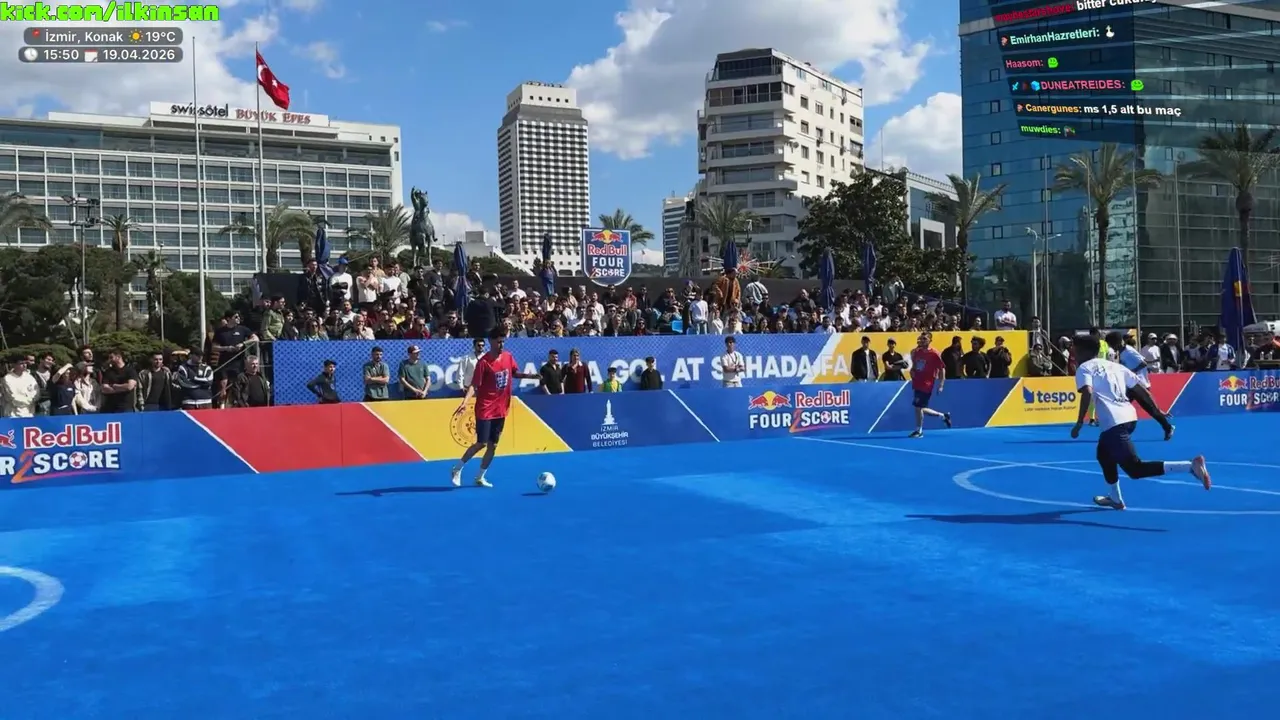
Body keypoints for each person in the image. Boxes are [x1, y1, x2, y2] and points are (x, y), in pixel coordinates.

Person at [1070, 334, 1210, 510]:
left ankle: (1189, 466)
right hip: (1128, 418)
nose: (1072, 351)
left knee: (1135, 469)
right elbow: (1140, 390)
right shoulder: (1115, 366)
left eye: (1074, 348)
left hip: (1114, 423)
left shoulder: (1084, 368)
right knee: (1104, 455)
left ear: (1083, 350)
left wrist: (1079, 423)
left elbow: (1087, 392)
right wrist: (1156, 409)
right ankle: (1115, 498)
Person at [450, 328, 540, 488]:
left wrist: (530, 376)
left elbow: (514, 373)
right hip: (485, 409)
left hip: (501, 409)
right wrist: (464, 402)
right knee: (481, 443)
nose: (501, 345)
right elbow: (474, 385)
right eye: (498, 342)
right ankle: (457, 468)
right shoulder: (483, 363)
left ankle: (480, 477)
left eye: (503, 341)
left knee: (493, 445)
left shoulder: (508, 356)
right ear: (491, 342)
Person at [1105, 331, 1174, 440]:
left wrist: (1131, 372)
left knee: (1152, 411)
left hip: (1140, 385)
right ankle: (1119, 431)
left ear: (1116, 343)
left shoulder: (1129, 351)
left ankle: (1168, 427)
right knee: (1120, 407)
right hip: (1130, 386)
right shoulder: (1120, 352)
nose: (1110, 347)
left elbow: (1143, 363)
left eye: (1110, 344)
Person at [907, 332, 952, 438]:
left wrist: (941, 384)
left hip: (927, 383)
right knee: (921, 408)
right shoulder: (917, 352)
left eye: (925, 339)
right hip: (917, 382)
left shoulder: (934, 353)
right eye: (921, 339)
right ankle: (943, 416)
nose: (922, 341)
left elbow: (942, 369)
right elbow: (914, 366)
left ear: (930, 340)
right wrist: (912, 371)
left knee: (918, 407)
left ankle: (919, 431)